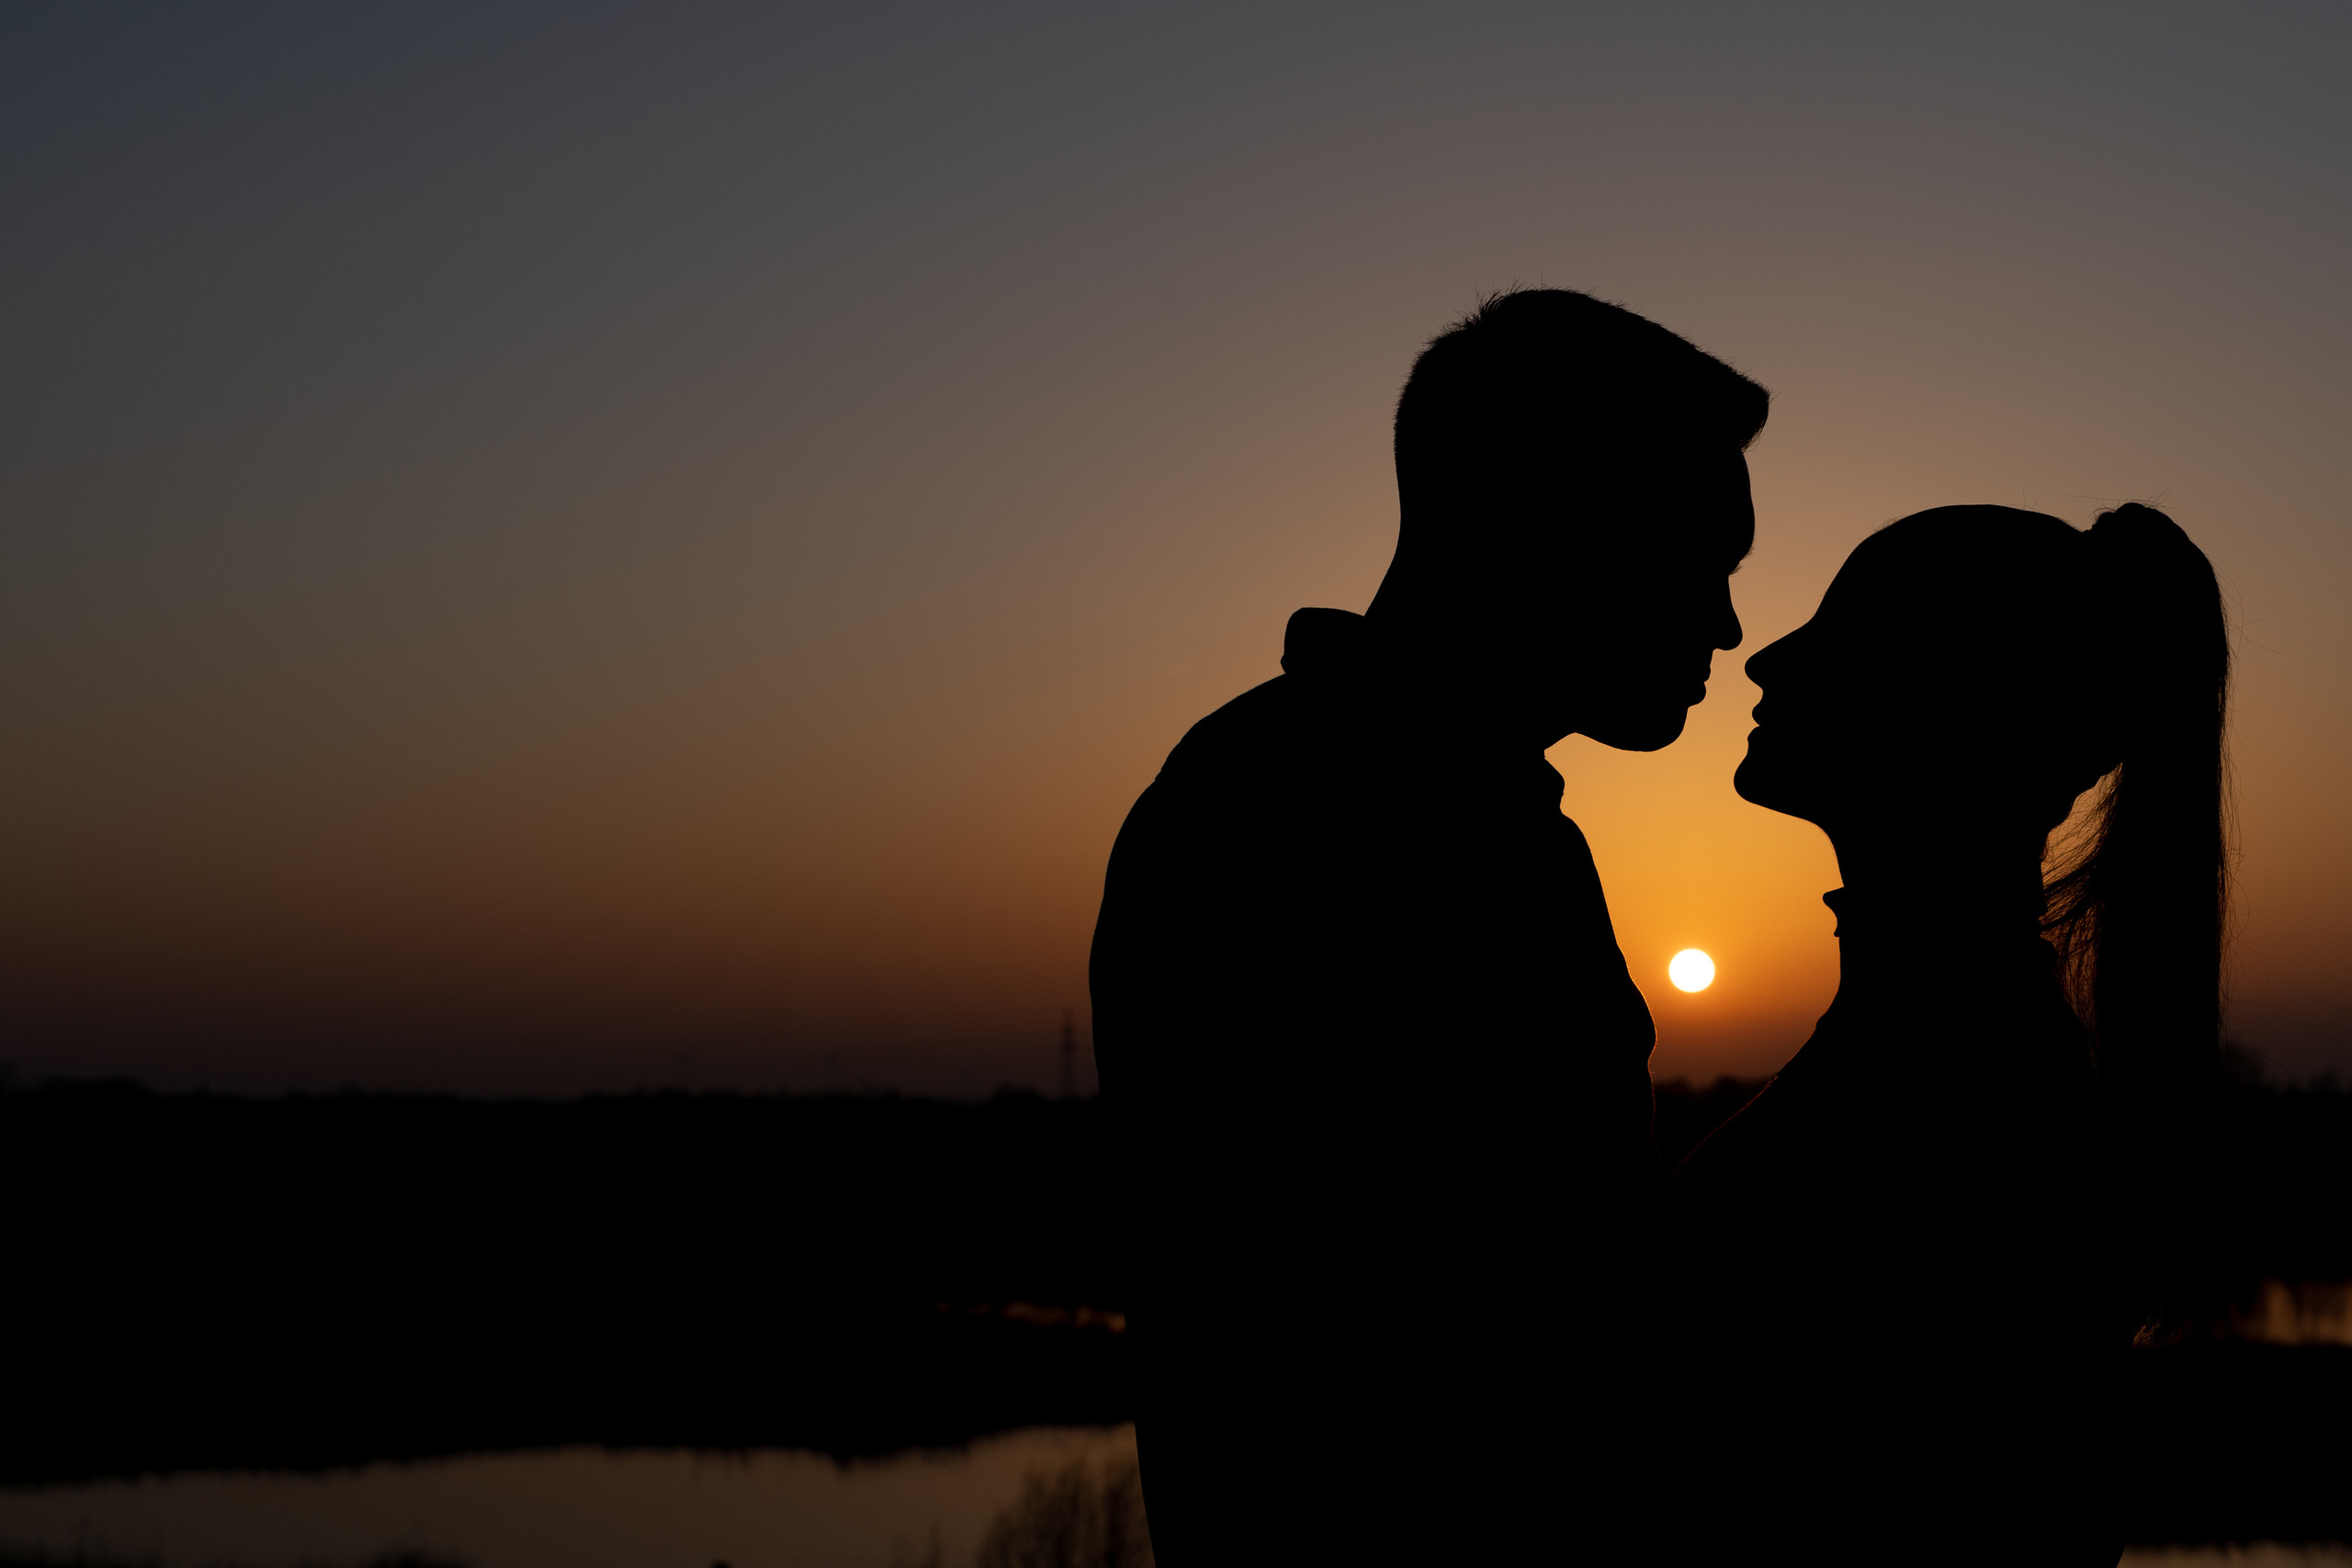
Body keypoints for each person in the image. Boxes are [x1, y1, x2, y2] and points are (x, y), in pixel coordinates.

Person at [1088, 288, 1769, 1562]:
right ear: (1554, 523)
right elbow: (1535, 1342)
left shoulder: (1370, 796)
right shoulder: (1350, 825)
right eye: (1701, 559)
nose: (1727, 625)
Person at [1666, 502, 2231, 1563]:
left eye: (1838, 633)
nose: (1766, 658)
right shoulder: (1954, 1044)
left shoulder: (1961, 1095)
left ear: (1944, 711)